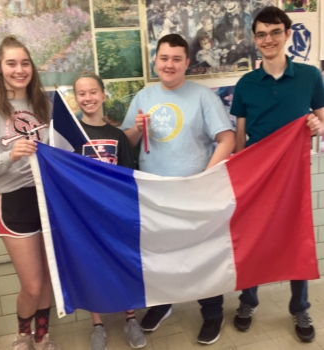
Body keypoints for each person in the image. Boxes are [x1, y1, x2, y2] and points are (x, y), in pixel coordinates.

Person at [122, 33, 235, 345]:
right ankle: (162, 304)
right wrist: (135, 130)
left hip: (194, 193)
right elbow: (127, 143)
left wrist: (206, 177)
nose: (169, 64)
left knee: (203, 255)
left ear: (187, 62)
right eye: (163, 58)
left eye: (176, 59)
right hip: (154, 195)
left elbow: (227, 139)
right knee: (159, 254)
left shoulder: (203, 97)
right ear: (155, 62)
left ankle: (212, 312)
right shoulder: (144, 97)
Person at [230, 6, 324, 343]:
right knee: (253, 237)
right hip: (255, 175)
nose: (268, 39)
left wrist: (317, 125)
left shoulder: (311, 76)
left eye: (274, 32)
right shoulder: (245, 83)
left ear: (286, 34)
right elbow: (240, 138)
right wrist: (239, 175)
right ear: (254, 40)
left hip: (294, 173)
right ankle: (248, 301)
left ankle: (299, 307)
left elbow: (322, 122)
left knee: (296, 236)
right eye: (261, 34)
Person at [0, 36, 60, 350]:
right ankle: (22, 337)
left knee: (49, 280)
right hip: (14, 201)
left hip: (48, 198)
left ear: (31, 68)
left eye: (25, 63)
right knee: (33, 285)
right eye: (11, 63)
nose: (19, 69)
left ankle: (43, 337)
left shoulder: (43, 105)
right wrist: (9, 156)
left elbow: (60, 149)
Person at [72, 71, 147, 350]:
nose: (88, 98)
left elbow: (128, 176)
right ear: (76, 99)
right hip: (86, 217)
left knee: (123, 263)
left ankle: (130, 319)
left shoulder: (117, 135)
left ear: (103, 95)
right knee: (91, 268)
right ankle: (98, 325)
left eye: (93, 92)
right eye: (81, 93)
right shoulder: (70, 136)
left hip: (115, 214)